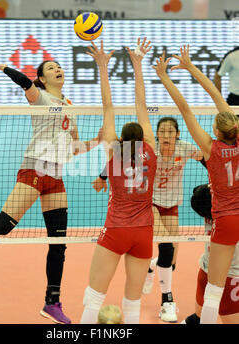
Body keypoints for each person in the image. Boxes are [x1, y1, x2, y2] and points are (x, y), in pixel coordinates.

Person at [0, 59, 102, 324]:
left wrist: (97, 141)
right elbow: (24, 82)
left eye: (58, 66)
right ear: (41, 78)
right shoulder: (39, 98)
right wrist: (5, 68)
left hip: (56, 177)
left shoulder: (71, 107)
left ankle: (52, 303)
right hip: (34, 171)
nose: (57, 69)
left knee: (58, 244)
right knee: (2, 227)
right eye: (50, 68)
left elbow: (73, 148)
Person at [154, 45, 239, 324]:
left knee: (214, 290)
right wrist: (192, 68)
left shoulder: (209, 147)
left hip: (225, 219)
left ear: (215, 131)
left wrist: (166, 77)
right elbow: (219, 99)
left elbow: (185, 109)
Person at [93, 117, 205, 323]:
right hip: (149, 203)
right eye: (162, 132)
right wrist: (102, 178)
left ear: (178, 134)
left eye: (171, 132)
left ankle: (151, 267)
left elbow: (206, 159)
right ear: (156, 134)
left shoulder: (185, 148)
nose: (166, 136)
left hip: (171, 203)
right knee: (167, 247)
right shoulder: (150, 151)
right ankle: (167, 301)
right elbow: (117, 158)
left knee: (171, 261)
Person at [80, 37, 157, 324]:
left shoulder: (114, 149)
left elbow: (108, 104)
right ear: (142, 136)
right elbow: (141, 103)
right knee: (133, 300)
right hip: (144, 231)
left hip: (117, 229)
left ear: (123, 138)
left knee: (95, 295)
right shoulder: (151, 148)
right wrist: (138, 64)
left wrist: (102, 66)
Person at [181, 184, 239, 324]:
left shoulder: (213, 208)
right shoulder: (231, 213)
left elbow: (200, 191)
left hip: (206, 271)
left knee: (198, 317)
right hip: (230, 277)